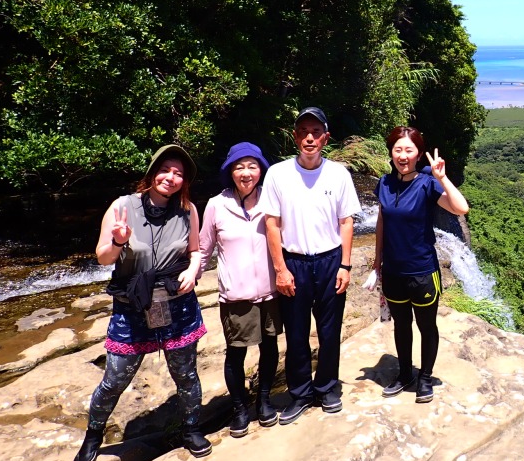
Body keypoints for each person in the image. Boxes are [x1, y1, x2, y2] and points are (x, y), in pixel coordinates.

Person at [74, 145, 210, 461]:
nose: (171, 177)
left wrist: (192, 270)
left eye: (179, 173)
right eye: (166, 170)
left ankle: (191, 429)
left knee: (186, 374)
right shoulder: (123, 206)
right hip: (132, 306)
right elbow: (103, 256)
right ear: (152, 172)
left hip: (177, 304)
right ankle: (93, 436)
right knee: (114, 380)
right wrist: (119, 240)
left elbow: (195, 251)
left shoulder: (188, 209)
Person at [261, 107, 361, 424]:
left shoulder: (339, 174)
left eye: (316, 132)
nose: (309, 137)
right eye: (303, 131)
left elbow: (346, 222)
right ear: (295, 137)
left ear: (325, 138)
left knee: (330, 330)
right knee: (297, 332)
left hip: (331, 260)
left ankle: (328, 388)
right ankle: (301, 394)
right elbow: (272, 224)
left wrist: (345, 265)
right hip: (295, 262)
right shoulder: (277, 174)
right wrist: (280, 269)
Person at [373, 127, 469, 403]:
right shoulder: (384, 183)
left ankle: (425, 378)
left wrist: (442, 177)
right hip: (393, 271)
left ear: (418, 154)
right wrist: (377, 262)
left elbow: (461, 208)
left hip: (423, 271)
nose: (403, 156)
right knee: (401, 326)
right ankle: (405, 375)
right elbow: (382, 222)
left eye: (409, 150)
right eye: (398, 150)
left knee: (427, 327)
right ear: (391, 152)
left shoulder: (427, 184)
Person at [199, 142, 281, 438]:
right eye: (239, 167)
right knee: (236, 353)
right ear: (230, 171)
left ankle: (265, 399)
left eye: (252, 166)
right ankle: (239, 408)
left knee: (269, 347)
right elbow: (204, 247)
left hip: (271, 292)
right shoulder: (216, 205)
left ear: (261, 170)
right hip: (236, 295)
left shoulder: (271, 201)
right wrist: (190, 277)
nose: (246, 173)